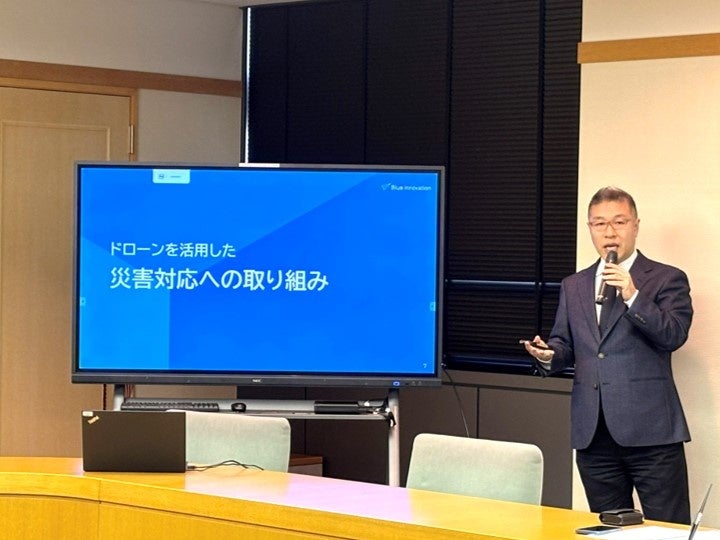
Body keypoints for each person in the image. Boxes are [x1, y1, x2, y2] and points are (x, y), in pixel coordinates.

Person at [524, 186, 693, 524]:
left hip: (652, 435)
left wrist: (632, 295)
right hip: (594, 436)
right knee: (608, 529)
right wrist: (548, 355)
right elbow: (565, 344)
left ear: (635, 225)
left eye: (619, 222)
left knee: (668, 529)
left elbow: (673, 335)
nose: (610, 232)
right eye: (599, 224)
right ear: (590, 228)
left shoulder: (666, 278)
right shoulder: (574, 284)